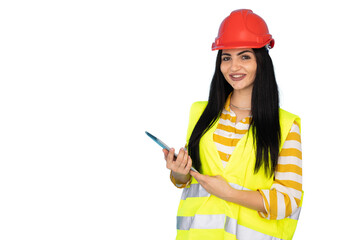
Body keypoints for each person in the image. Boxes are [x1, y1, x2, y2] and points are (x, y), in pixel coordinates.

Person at [163, 9, 302, 240]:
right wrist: (179, 173)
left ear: (261, 61)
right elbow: (189, 181)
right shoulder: (201, 113)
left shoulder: (285, 125)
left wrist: (229, 193)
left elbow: (288, 200)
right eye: (226, 57)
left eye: (244, 56)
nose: (233, 66)